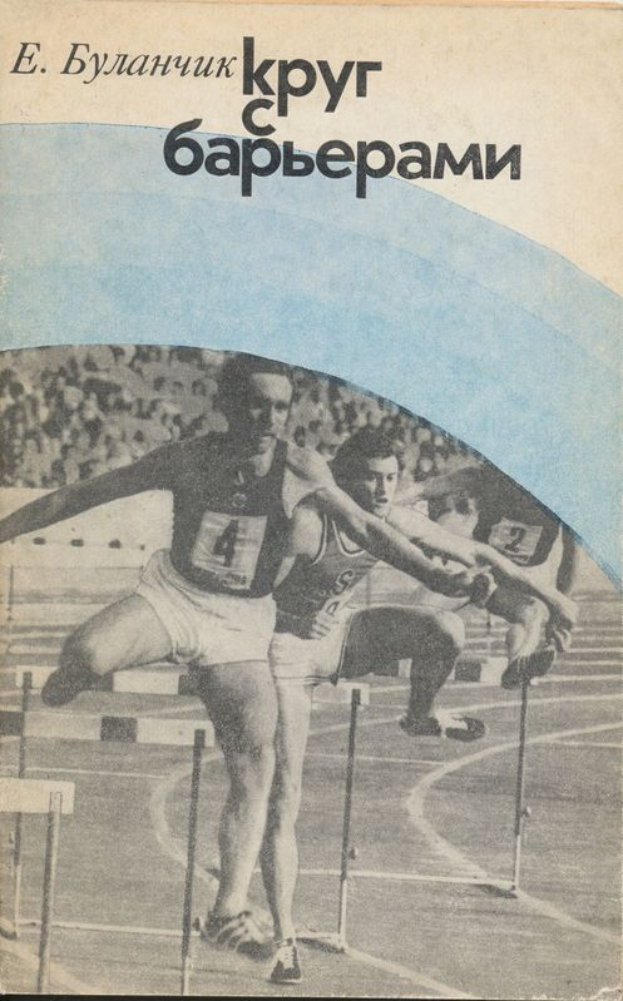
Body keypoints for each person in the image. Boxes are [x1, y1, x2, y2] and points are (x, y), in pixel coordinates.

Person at [0, 354, 491, 961]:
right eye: (256, 404)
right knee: (88, 654)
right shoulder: (187, 457)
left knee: (257, 763)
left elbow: (371, 529)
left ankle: (227, 910)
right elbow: (82, 494)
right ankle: (72, 675)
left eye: (280, 407)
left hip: (241, 623)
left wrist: (436, 577)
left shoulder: (302, 468)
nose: (268, 417)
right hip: (175, 596)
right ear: (227, 407)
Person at [259, 428, 577, 983]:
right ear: (343, 475)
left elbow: (477, 551)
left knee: (444, 629)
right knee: (285, 796)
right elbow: (250, 589)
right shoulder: (309, 519)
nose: (382, 491)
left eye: (390, 480)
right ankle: (284, 940)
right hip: (284, 651)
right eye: (370, 479)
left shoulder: (394, 517)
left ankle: (419, 714)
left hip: (339, 638)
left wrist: (553, 599)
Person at [419, 464, 578, 695]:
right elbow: (427, 487)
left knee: (532, 614)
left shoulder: (564, 496)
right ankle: (400, 631)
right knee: (419, 610)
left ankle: (518, 662)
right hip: (475, 570)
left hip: (516, 583)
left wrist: (559, 612)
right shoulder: (492, 474)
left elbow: (571, 558)